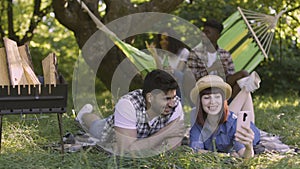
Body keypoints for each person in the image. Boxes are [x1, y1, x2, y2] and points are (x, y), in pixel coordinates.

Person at [76, 69, 185, 157]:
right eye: (166, 99)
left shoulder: (176, 106)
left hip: (137, 134)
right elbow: (126, 150)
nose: (172, 104)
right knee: (96, 125)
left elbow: (174, 145)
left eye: (173, 98)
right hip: (110, 133)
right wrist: (166, 133)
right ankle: (83, 115)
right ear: (150, 97)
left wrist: (143, 148)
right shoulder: (128, 104)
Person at [187, 19, 261, 122]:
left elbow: (231, 77)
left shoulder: (225, 54)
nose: (203, 35)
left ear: (217, 35)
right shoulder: (195, 53)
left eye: (207, 32)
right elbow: (191, 79)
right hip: (204, 88)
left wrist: (223, 71)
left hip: (222, 87)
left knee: (243, 75)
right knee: (244, 84)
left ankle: (230, 110)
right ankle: (235, 113)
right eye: (203, 31)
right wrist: (212, 68)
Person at [188, 75, 260, 158]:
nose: (212, 101)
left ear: (224, 100)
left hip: (248, 130)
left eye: (217, 97)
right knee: (224, 112)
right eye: (207, 97)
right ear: (199, 102)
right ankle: (246, 89)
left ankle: (246, 89)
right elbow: (196, 151)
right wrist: (226, 155)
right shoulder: (197, 123)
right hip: (226, 118)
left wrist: (248, 147)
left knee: (239, 121)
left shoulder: (234, 125)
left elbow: (244, 154)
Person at [146, 28, 190, 101]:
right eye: (161, 39)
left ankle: (178, 102)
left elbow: (179, 71)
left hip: (177, 81)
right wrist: (154, 53)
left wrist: (170, 71)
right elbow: (159, 70)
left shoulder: (183, 52)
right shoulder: (160, 54)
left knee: (177, 74)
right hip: (164, 81)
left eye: (166, 39)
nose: (163, 42)